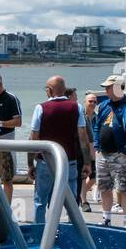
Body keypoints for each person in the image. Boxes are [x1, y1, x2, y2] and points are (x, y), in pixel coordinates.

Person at [28, 76, 91, 223]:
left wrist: (30, 163)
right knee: (71, 202)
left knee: (40, 201)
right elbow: (83, 137)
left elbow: (33, 138)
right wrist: (87, 162)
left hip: (45, 162)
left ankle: (40, 235)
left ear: (49, 90)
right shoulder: (77, 108)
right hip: (69, 161)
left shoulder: (41, 108)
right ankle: (72, 231)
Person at [91, 73, 126, 228]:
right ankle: (106, 218)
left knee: (124, 188)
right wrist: (97, 147)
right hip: (103, 154)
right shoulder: (103, 105)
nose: (106, 91)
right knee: (104, 187)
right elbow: (96, 125)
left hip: (120, 154)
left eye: (108, 87)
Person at [0, 73, 21, 201]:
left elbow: (18, 122)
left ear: (0, 84)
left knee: (7, 179)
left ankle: (7, 209)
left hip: (6, 142)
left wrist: (1, 123)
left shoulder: (11, 99)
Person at [79, 92, 98, 210]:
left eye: (95, 102)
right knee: (83, 175)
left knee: (95, 177)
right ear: (84, 102)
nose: (92, 103)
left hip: (96, 150)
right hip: (83, 150)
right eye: (90, 101)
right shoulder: (80, 116)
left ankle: (80, 194)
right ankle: (84, 201)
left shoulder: (98, 117)